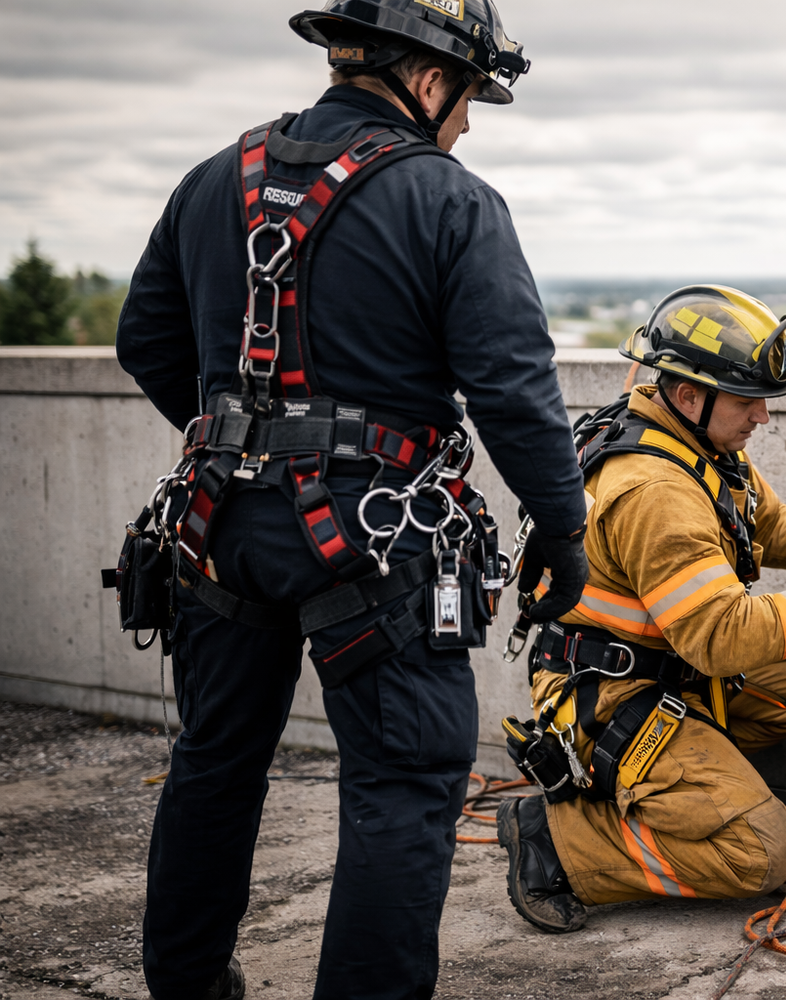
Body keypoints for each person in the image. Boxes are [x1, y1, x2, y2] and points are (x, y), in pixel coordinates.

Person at [113, 2, 589, 997]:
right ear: (428, 77)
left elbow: (145, 342)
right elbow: (512, 385)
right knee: (405, 786)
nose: (468, 124)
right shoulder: (449, 202)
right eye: (470, 100)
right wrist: (562, 523)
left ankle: (187, 985)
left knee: (214, 764)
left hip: (219, 533)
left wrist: (243, 440)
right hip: (374, 552)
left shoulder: (214, 181)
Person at [496, 285, 786, 932]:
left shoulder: (697, 446)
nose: (762, 417)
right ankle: (559, 840)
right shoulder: (655, 492)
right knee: (762, 853)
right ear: (689, 393)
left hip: (660, 665)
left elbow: (771, 526)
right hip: (613, 695)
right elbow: (723, 640)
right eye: (747, 399)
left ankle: (692, 788)